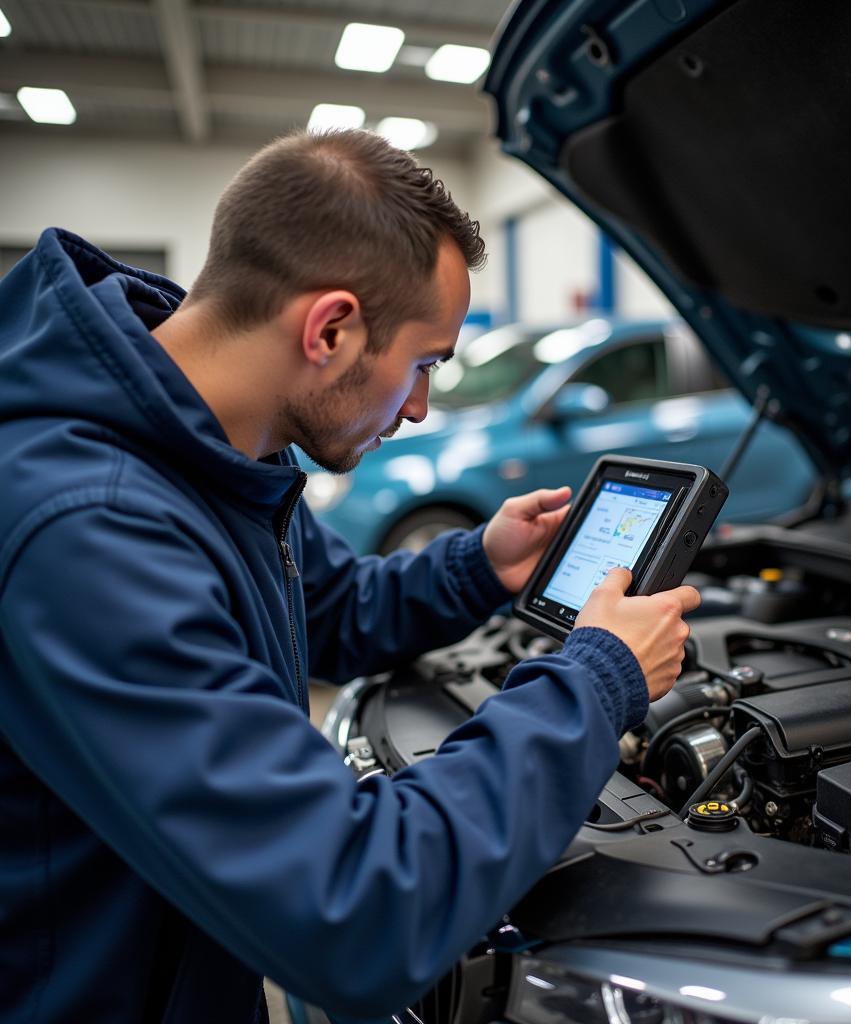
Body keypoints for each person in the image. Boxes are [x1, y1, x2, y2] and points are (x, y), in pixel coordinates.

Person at [0, 129, 700, 1023]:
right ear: (330, 328)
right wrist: (598, 680)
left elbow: (325, 610)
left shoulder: (210, 445)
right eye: (424, 364)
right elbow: (357, 910)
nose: (419, 407)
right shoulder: (91, 528)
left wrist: (479, 566)